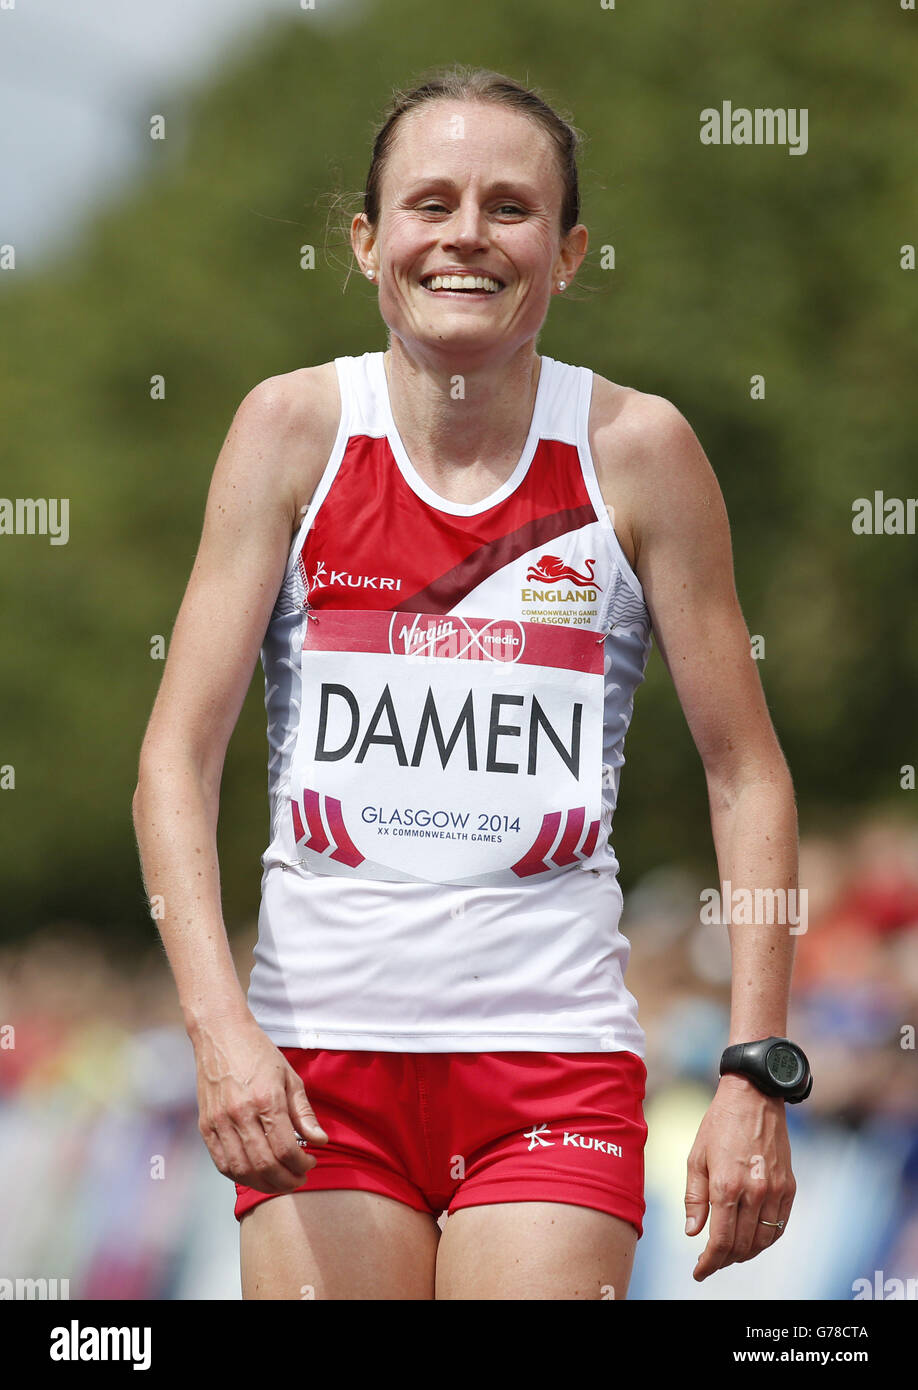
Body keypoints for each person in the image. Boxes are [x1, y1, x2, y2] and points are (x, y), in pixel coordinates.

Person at [132, 65, 800, 1300]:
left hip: (551, 1060)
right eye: (430, 202)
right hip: (317, 1062)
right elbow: (176, 759)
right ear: (368, 237)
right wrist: (219, 1033)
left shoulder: (637, 451)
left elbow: (744, 771)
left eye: (510, 207)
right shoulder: (293, 430)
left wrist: (756, 1070)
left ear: (569, 250)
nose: (466, 236)